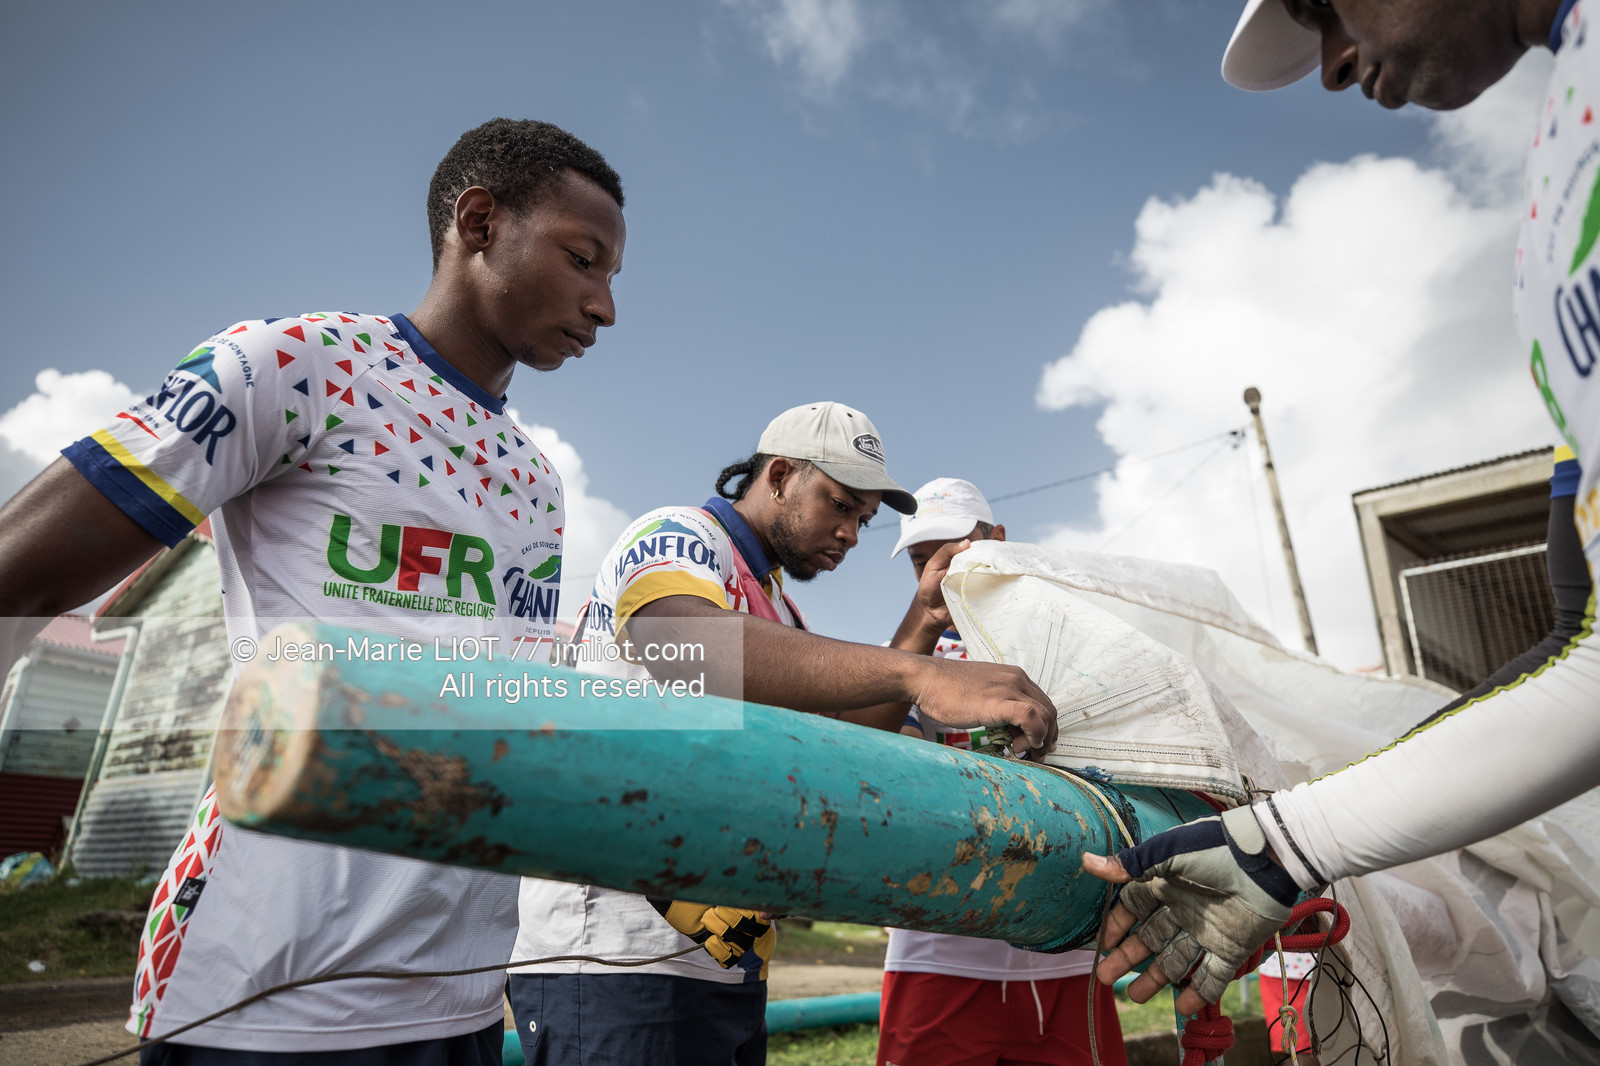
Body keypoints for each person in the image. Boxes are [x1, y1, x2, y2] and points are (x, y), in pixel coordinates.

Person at [0, 117, 626, 1062]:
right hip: (266, 985)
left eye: (612, 277)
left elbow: (510, 717)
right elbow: (22, 569)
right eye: (585, 260)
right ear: (480, 222)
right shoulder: (300, 366)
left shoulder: (534, 478)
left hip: (455, 996)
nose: (605, 306)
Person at [1084, 0, 1600, 1020]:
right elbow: (1585, 648)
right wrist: (1287, 841)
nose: (1331, 65)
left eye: (1323, 8)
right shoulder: (1550, 201)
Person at [509, 407, 1061, 1066]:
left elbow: (846, 738)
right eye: (841, 505)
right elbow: (687, 644)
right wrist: (918, 671)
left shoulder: (781, 610)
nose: (852, 533)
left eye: (863, 519)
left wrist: (922, 620)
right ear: (778, 475)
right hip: (617, 958)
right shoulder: (679, 536)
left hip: (724, 961)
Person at [875, 478, 1127, 1066]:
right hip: (939, 951)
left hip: (1065, 950)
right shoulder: (902, 658)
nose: (938, 569)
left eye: (955, 550)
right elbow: (883, 753)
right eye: (920, 560)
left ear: (999, 540)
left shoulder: (1073, 643)